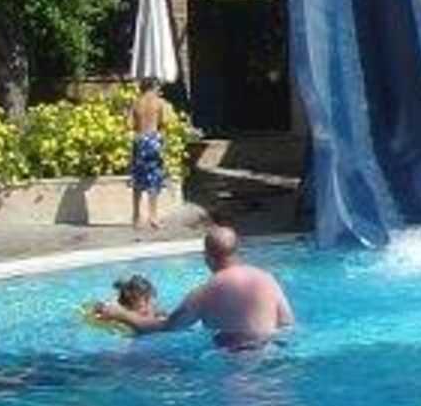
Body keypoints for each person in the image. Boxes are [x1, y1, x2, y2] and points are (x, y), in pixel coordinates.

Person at [95, 225, 294, 350]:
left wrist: (121, 314)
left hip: (236, 362)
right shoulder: (267, 279)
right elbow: (287, 323)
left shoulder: (206, 292)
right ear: (237, 251)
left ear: (207, 257)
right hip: (271, 352)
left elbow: (167, 328)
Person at [130, 77, 169, 232]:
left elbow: (129, 124)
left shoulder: (136, 103)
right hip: (153, 141)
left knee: (138, 180)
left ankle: (136, 216)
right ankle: (153, 216)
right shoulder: (159, 103)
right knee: (154, 180)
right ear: (153, 87)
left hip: (139, 140)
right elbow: (165, 122)